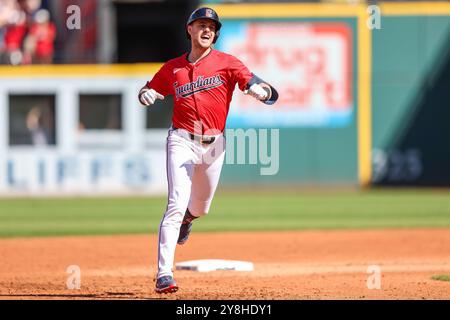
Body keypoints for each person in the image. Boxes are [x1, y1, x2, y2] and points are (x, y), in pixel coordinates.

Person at [138, 7, 278, 294]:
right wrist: (147, 94)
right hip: (181, 139)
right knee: (175, 204)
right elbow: (148, 89)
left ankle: (190, 219)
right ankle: (164, 274)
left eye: (211, 27)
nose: (206, 30)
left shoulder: (227, 63)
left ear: (215, 34)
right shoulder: (173, 68)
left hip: (214, 144)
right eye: (201, 25)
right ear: (189, 29)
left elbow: (262, 87)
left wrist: (260, 90)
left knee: (200, 207)